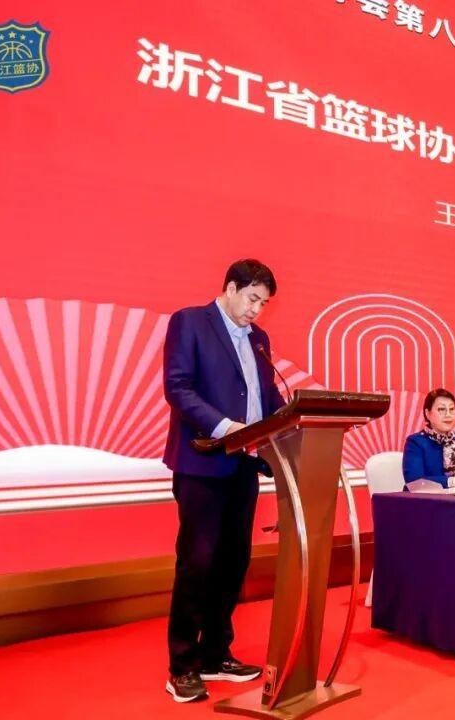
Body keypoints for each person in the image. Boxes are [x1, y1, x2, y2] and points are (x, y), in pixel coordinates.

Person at [162, 259, 286, 703]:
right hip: (202, 462)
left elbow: (266, 396)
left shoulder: (259, 339)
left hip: (243, 466)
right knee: (197, 562)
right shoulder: (190, 322)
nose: (256, 310)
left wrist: (290, 420)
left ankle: (216, 653)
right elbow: (178, 388)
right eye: (252, 299)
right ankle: (182, 666)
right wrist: (225, 427)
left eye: (263, 304)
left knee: (234, 561)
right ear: (231, 288)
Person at [402, 388, 455, 489]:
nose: (448, 414)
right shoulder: (416, 442)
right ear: (428, 413)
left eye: (452, 409)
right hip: (428, 498)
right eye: (441, 409)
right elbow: (414, 481)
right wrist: (453, 481)